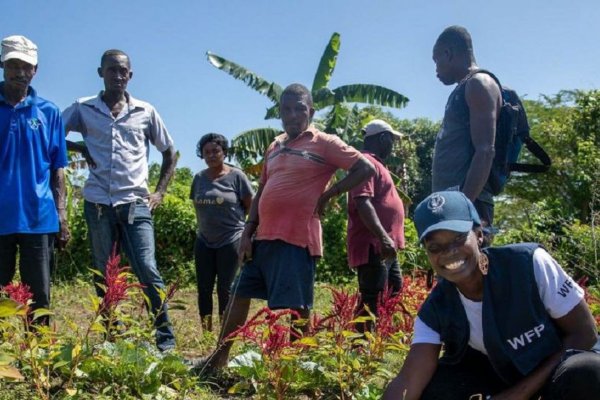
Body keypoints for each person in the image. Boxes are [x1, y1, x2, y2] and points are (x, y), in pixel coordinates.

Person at [203, 83, 375, 369]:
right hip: (262, 237)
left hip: (297, 238)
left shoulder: (325, 142)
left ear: (311, 111)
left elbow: (364, 168)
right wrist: (248, 231)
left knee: (298, 306)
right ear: (279, 112)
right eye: (286, 109)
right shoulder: (274, 145)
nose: (292, 115)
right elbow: (262, 190)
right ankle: (218, 359)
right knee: (238, 295)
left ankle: (296, 367)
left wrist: (330, 194)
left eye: (299, 109)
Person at [382, 191, 600, 400]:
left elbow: (585, 333)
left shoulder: (528, 264)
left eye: (458, 239)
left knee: (585, 371)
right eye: (435, 247)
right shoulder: (435, 310)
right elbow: (409, 381)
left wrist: (519, 394)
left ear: (478, 235)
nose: (449, 252)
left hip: (560, 371)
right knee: (439, 389)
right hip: (505, 376)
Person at [63, 49, 177, 351]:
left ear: (130, 75)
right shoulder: (83, 108)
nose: (117, 76)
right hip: (98, 204)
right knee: (105, 274)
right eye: (111, 70)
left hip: (135, 204)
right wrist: (78, 147)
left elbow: (169, 152)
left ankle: (165, 341)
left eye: (122, 71)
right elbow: (50, 135)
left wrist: (160, 192)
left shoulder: (145, 111)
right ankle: (113, 337)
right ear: (100, 73)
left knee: (147, 270)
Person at [0, 35, 70, 323]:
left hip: (39, 218)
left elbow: (58, 170)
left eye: (25, 66)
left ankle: (40, 360)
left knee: (39, 296)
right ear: (2, 66)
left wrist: (62, 216)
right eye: (13, 65)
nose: (19, 72)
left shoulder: (49, 112)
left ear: (35, 69)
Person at [431, 25, 501, 239]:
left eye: (436, 61)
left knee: (471, 271)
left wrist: (463, 209)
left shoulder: (479, 84)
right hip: (453, 206)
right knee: (450, 272)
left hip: (469, 208)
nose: (436, 70)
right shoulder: (463, 88)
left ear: (448, 53)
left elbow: (485, 151)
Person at [191, 133, 254, 332]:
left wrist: (248, 237)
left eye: (215, 151)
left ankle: (225, 334)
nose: (211, 155)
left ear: (224, 152)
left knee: (226, 290)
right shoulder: (199, 178)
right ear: (202, 155)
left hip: (231, 240)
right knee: (204, 289)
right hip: (204, 241)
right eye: (206, 152)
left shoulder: (237, 176)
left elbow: (250, 208)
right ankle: (207, 333)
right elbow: (197, 206)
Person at [346, 119, 405, 329]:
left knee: (393, 290)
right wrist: (382, 237)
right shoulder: (364, 163)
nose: (393, 145)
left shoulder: (378, 164)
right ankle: (359, 344)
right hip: (374, 244)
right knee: (372, 296)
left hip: (385, 245)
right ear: (382, 138)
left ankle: (377, 338)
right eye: (391, 140)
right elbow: (362, 201)